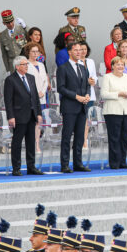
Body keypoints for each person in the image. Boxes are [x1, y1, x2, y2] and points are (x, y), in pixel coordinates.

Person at [4, 56, 42, 176]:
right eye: (24, 64)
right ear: (17, 66)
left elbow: (35, 97)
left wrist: (39, 113)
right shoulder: (11, 80)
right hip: (19, 115)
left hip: (31, 114)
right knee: (17, 143)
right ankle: (16, 168)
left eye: (27, 64)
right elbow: (8, 100)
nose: (26, 66)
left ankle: (31, 166)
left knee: (31, 142)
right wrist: (10, 116)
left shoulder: (30, 77)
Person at [56, 42, 91, 173]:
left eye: (80, 50)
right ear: (69, 52)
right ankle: (64, 164)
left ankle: (78, 163)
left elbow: (87, 84)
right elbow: (61, 88)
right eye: (75, 50)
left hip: (82, 107)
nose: (79, 52)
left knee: (80, 137)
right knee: (67, 136)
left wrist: (87, 95)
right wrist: (76, 97)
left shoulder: (82, 67)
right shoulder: (63, 68)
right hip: (70, 107)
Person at [101, 56, 127, 169]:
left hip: (126, 111)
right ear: (112, 66)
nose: (120, 66)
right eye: (117, 64)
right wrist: (119, 94)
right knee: (114, 137)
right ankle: (114, 162)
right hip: (112, 111)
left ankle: (122, 161)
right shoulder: (107, 77)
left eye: (122, 64)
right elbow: (104, 94)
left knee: (124, 137)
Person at [24, 42, 48, 153]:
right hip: (30, 98)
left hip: (41, 97)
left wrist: (42, 91)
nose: (35, 53)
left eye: (37, 51)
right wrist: (34, 93)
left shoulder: (41, 65)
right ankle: (30, 145)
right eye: (33, 51)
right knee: (31, 122)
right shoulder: (26, 65)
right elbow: (25, 82)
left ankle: (37, 144)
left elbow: (45, 81)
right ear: (28, 52)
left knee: (39, 122)